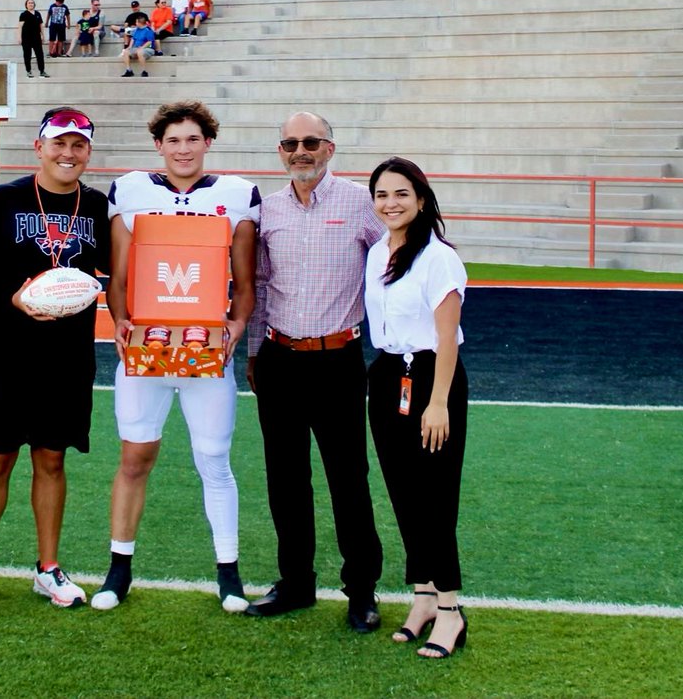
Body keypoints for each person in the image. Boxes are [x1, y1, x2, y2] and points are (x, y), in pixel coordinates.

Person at [93, 101, 260, 615]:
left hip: (205, 349)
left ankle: (228, 574)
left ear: (208, 142)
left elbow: (246, 282)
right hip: (147, 347)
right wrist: (120, 320)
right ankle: (118, 569)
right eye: (173, 140)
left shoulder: (236, 195)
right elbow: (119, 277)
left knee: (213, 460)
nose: (183, 149)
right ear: (158, 146)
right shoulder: (131, 190)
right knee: (134, 458)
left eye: (192, 139)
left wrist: (234, 327)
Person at [0, 108, 111, 617]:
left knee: (52, 458)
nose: (68, 153)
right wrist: (12, 300)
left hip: (66, 356)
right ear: (39, 147)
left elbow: (121, 268)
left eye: (78, 145)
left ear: (87, 152)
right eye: (59, 143)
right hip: (5, 352)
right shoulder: (0, 201)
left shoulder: (98, 207)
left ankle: (48, 568)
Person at [246, 113, 384, 633]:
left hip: (338, 361)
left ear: (329, 148)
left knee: (348, 479)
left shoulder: (360, 205)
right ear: (281, 151)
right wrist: (256, 353)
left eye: (310, 142)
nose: (299, 151)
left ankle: (362, 590)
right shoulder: (269, 210)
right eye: (290, 143)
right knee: (285, 480)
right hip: (280, 360)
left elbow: (399, 258)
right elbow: (260, 285)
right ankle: (296, 582)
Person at [364, 157, 469, 660]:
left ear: (421, 198)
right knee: (403, 493)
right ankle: (423, 595)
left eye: (401, 194)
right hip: (387, 376)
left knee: (434, 496)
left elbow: (447, 336)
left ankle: (451, 611)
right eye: (382, 195)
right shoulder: (378, 252)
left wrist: (438, 403)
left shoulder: (438, 257)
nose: (391, 204)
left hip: (431, 378)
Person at [18, 0, 49, 78]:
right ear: (26, 5)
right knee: (27, 55)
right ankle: (28, 71)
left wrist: (43, 35)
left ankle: (42, 71)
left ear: (34, 4)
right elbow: (20, 26)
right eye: (29, 3)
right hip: (26, 38)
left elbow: (41, 25)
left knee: (40, 54)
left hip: (36, 37)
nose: (31, 4)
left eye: (32, 3)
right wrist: (19, 37)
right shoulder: (23, 14)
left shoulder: (38, 14)